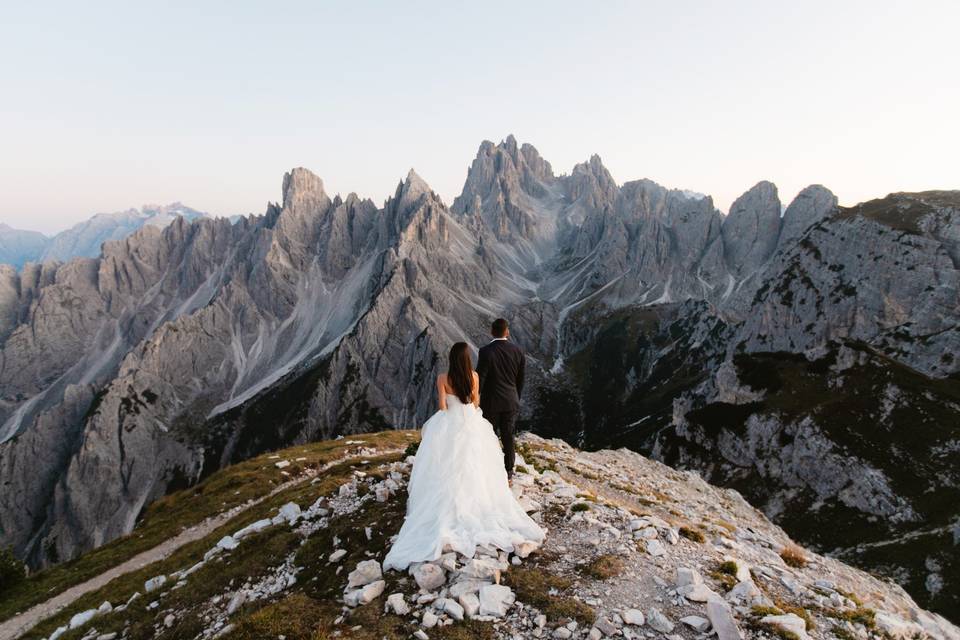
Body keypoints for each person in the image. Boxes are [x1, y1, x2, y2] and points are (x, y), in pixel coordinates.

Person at [382, 342, 543, 571]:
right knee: (475, 464)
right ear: (468, 359)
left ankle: (446, 504)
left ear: (451, 358)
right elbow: (476, 401)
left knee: (446, 464)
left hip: (450, 423)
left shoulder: (442, 378)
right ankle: (478, 502)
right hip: (470, 422)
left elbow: (441, 406)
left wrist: (450, 403)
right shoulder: (475, 376)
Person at [476, 318, 525, 480]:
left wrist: (475, 399)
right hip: (511, 401)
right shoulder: (518, 351)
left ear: (491, 332)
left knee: (489, 435)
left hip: (491, 402)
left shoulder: (485, 351)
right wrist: (516, 397)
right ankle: (509, 470)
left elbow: (480, 379)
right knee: (508, 436)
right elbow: (520, 380)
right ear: (507, 332)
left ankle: (489, 467)